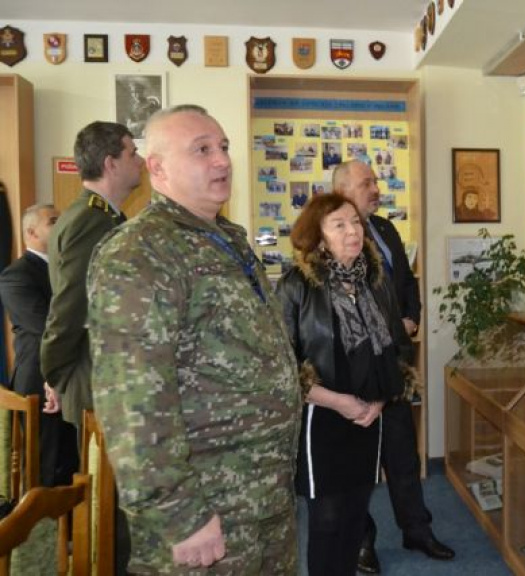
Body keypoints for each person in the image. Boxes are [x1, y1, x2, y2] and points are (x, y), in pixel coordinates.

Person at [87, 104, 302, 574]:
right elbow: (130, 400)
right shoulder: (140, 251)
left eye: (223, 146)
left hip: (261, 499)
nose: (222, 159)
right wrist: (181, 514)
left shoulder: (225, 238)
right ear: (158, 168)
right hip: (205, 513)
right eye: (202, 150)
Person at [276, 193, 415, 576]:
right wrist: (338, 402)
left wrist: (380, 402)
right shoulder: (295, 286)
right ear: (318, 236)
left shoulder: (376, 282)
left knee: (356, 514)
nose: (353, 231)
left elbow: (397, 349)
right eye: (339, 224)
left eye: (355, 222)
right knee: (326, 519)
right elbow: (281, 365)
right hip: (321, 417)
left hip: (369, 416)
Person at [333, 160, 455, 574]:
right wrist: (386, 327)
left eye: (375, 180)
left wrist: (412, 318)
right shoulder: (330, 236)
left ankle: (416, 529)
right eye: (366, 182)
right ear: (343, 190)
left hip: (394, 364)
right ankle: (361, 541)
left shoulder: (385, 229)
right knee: (357, 466)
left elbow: (406, 282)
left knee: (403, 455)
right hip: (355, 369)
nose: (376, 188)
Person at [41, 121, 142, 431]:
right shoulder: (92, 221)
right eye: (133, 153)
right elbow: (71, 305)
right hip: (95, 377)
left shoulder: (99, 215)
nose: (140, 161)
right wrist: (55, 374)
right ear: (111, 164)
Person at [0, 204, 79, 487]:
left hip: (71, 377)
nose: (62, 225)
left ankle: (70, 515)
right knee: (47, 466)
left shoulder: (68, 268)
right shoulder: (17, 275)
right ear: (31, 233)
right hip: (38, 379)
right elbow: (47, 326)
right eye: (53, 221)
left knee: (72, 463)